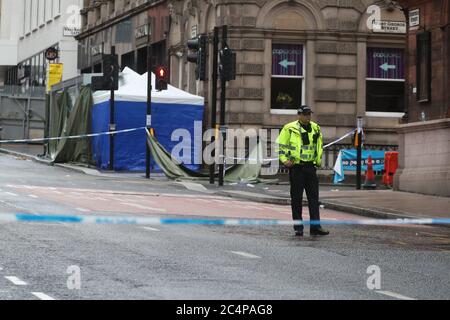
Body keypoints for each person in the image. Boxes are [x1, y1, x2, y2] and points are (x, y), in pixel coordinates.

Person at [276, 105, 329, 237]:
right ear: (299, 115)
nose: (307, 116)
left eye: (309, 114)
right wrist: (284, 160)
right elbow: (280, 145)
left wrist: (317, 161)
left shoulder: (316, 127)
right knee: (296, 199)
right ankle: (298, 227)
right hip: (297, 168)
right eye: (305, 114)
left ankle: (315, 227)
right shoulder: (290, 128)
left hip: (311, 168)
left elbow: (318, 145)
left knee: (314, 199)